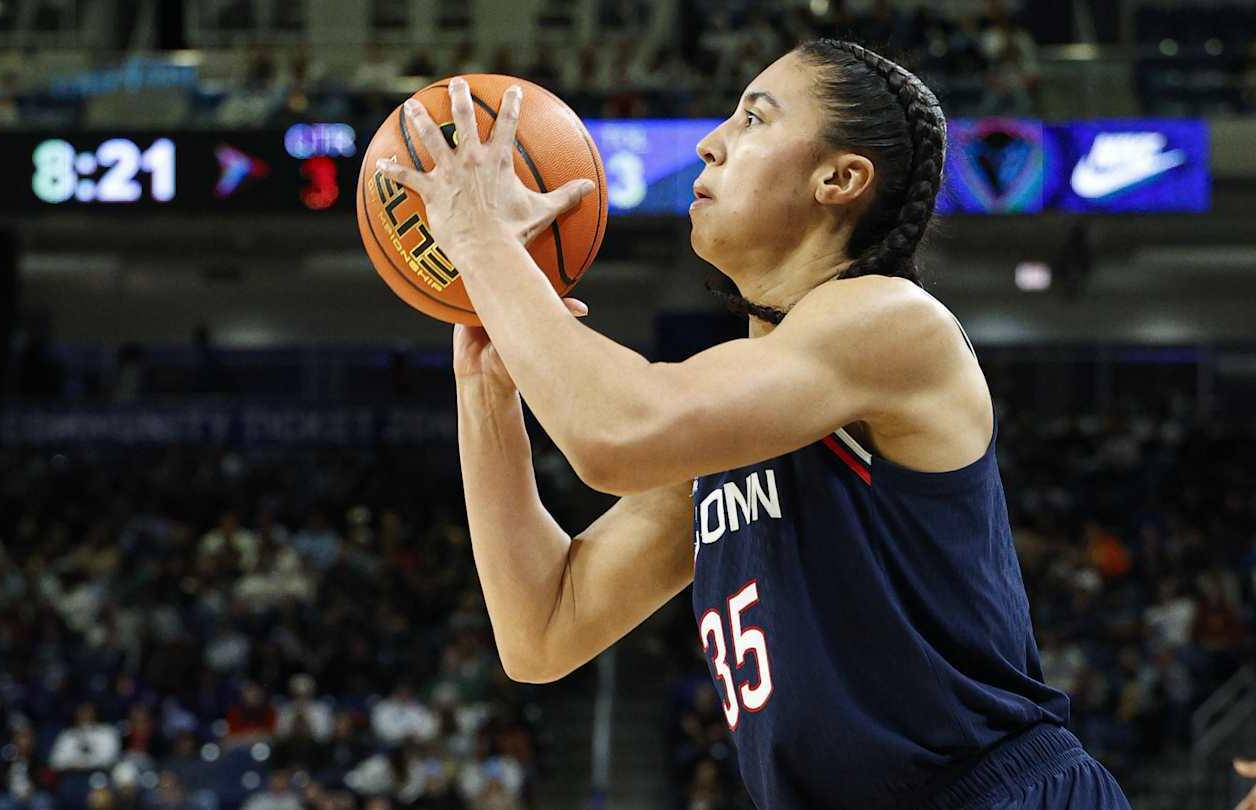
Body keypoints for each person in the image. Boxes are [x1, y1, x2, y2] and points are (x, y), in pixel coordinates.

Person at [375, 40, 1131, 809]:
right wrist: (486, 394)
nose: (711, 141)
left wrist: (483, 241)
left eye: (753, 118)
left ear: (839, 179)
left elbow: (616, 436)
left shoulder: (892, 321)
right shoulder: (741, 410)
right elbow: (543, 628)